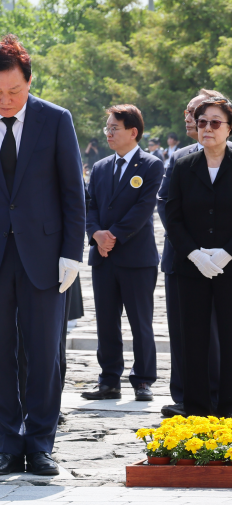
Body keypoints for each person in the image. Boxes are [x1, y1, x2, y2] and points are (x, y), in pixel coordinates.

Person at [0, 35, 86, 476]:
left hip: (45, 256)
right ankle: (7, 443)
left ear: (29, 82)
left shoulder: (55, 120)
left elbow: (72, 192)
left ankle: (41, 443)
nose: (5, 101)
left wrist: (72, 253)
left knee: (45, 353)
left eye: (14, 92)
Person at [83, 104, 163, 403]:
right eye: (107, 128)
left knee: (140, 321)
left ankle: (143, 380)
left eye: (114, 128)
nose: (109, 133)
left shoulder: (152, 165)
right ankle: (109, 379)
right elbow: (89, 204)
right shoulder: (101, 166)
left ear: (133, 131)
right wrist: (96, 233)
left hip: (136, 258)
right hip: (103, 257)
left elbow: (143, 209)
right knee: (106, 321)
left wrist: (112, 235)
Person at [158, 89, 224, 417]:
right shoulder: (183, 160)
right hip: (186, 262)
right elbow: (170, 208)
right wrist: (193, 252)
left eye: (213, 121)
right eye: (199, 120)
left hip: (226, 265)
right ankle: (191, 404)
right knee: (189, 336)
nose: (203, 126)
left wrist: (223, 252)